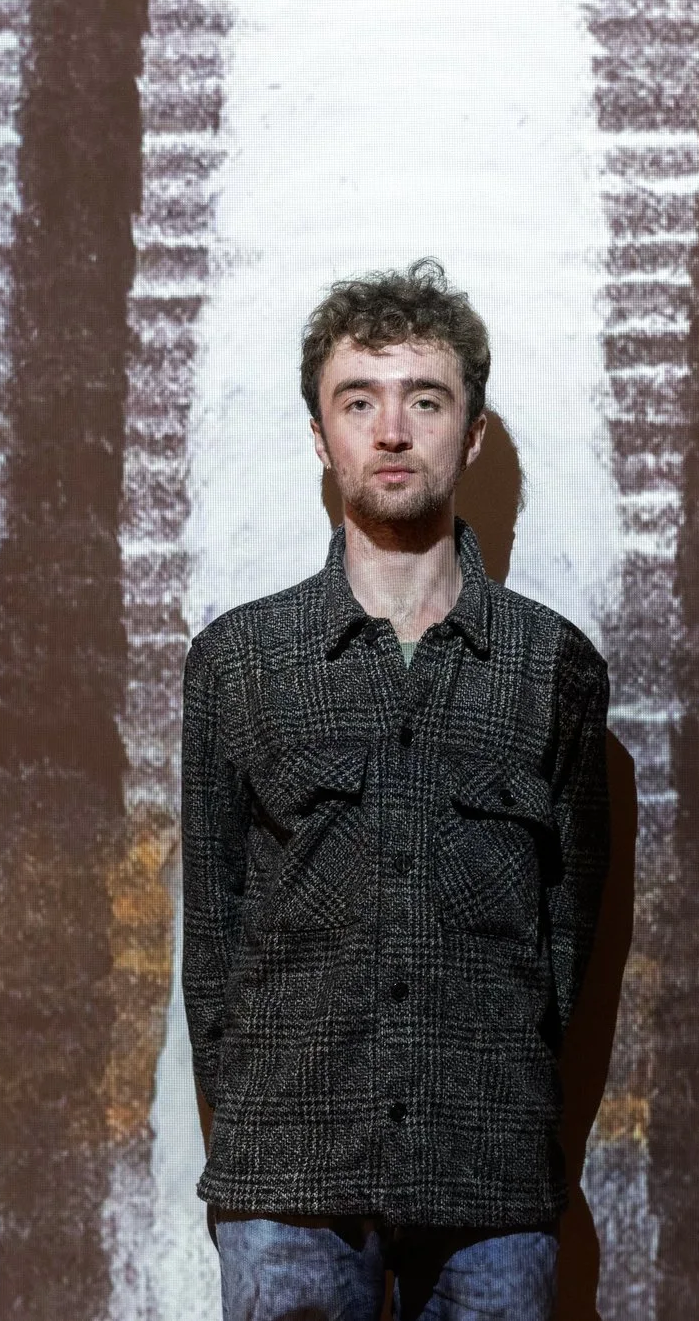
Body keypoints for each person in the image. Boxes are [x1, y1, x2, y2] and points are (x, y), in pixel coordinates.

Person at [181, 258, 612, 1321]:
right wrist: (252, 1128)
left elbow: (569, 931)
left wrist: (500, 1089)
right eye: (357, 400)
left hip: (489, 1168)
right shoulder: (240, 661)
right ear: (318, 433)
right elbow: (216, 933)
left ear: (468, 434)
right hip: (287, 1173)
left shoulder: (554, 666)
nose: (390, 430)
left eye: (424, 399)